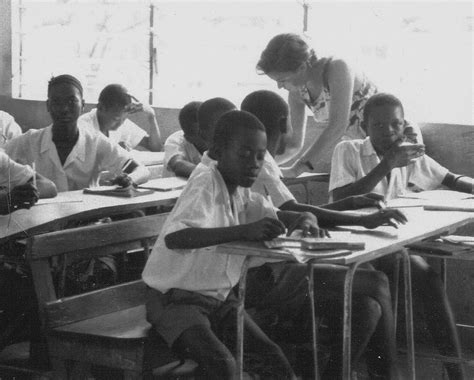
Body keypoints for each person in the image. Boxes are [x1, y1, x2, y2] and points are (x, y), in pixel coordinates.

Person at [195, 96, 400, 378]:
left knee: (367, 306)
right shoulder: (252, 163)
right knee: (376, 282)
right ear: (284, 123)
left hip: (267, 268)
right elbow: (291, 210)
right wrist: (360, 218)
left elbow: (287, 213)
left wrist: (350, 206)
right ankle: (390, 375)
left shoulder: (246, 159)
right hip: (255, 276)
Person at [143, 110, 325, 379]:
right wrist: (243, 230)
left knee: (274, 360)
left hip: (219, 302)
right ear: (217, 152)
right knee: (223, 368)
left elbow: (276, 214)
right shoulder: (205, 181)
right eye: (244, 154)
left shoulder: (240, 192)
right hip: (174, 302)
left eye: (260, 156)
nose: (254, 163)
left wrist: (305, 217)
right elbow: (177, 237)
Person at [329, 92, 470, 380]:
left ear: (403, 124)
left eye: (395, 124)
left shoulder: (407, 153)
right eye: (379, 126)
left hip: (391, 244)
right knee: (386, 286)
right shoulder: (348, 150)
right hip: (354, 241)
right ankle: (387, 373)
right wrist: (387, 164)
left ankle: (455, 369)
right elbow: (339, 197)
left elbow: (451, 179)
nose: (389, 132)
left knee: (428, 277)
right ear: (364, 128)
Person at [257, 33, 422, 177]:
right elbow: (294, 144)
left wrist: (297, 169)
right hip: (364, 150)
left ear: (301, 67)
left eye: (282, 80)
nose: (279, 86)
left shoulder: (337, 67)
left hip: (395, 140)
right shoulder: (296, 92)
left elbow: (337, 126)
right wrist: (265, 166)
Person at [5, 75, 150, 192]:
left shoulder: (96, 142)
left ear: (83, 106)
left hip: (86, 221)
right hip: (42, 222)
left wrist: (130, 179)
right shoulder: (30, 140)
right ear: (48, 106)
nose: (64, 109)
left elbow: (140, 170)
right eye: (56, 102)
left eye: (71, 101)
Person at [79, 83, 163, 152]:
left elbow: (155, 147)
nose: (120, 124)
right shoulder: (83, 125)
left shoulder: (121, 123)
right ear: (101, 108)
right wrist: (116, 150)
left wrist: (151, 115)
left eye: (123, 119)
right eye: (116, 119)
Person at [162, 101, 206, 178]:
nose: (209, 135)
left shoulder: (220, 138)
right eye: (201, 133)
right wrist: (212, 175)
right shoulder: (175, 140)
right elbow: (178, 164)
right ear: (189, 138)